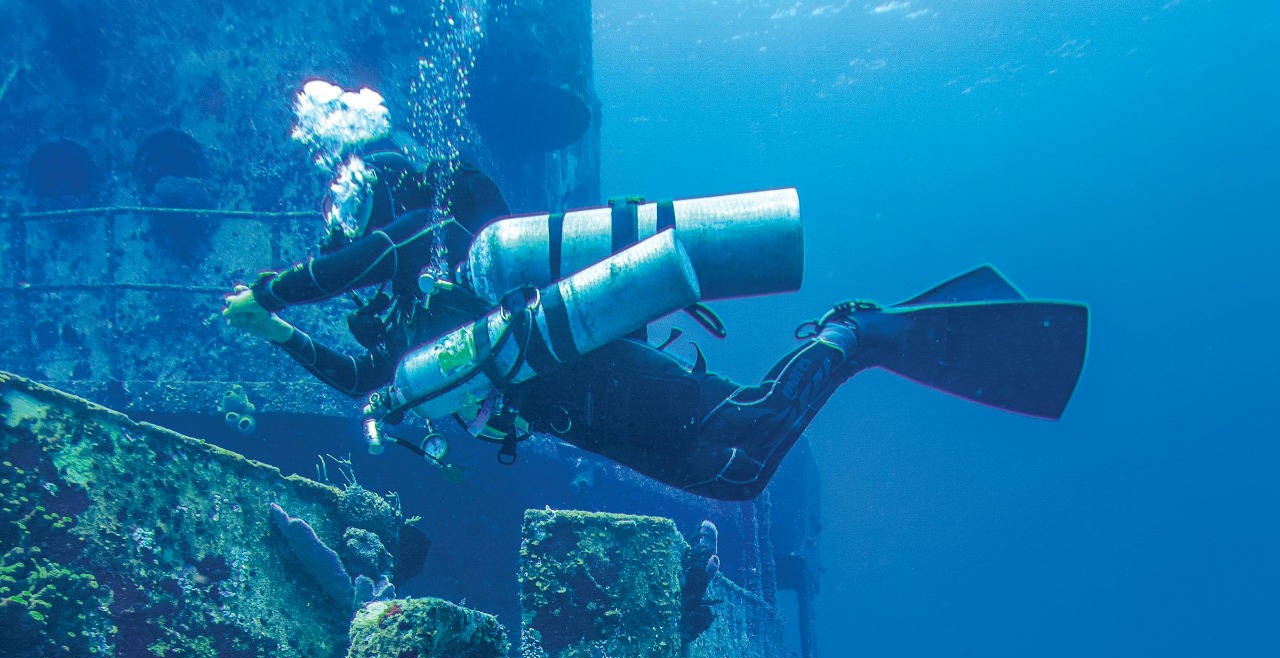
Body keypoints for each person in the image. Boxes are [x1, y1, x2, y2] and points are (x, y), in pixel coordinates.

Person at [225, 147, 1089, 501]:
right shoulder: (407, 337)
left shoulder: (440, 250)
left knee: (745, 431)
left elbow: (366, 254)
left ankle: (850, 335)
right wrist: (278, 338)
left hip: (600, 376)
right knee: (737, 482)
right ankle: (847, 343)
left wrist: (273, 289)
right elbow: (363, 381)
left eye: (349, 208)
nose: (342, 232)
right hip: (576, 419)